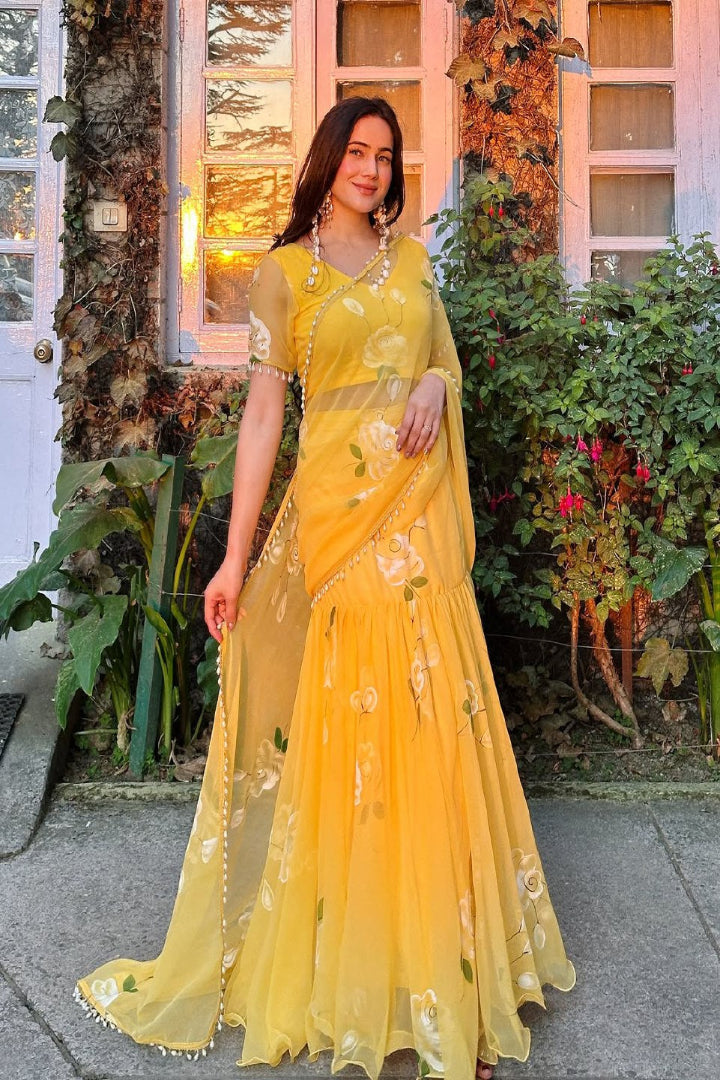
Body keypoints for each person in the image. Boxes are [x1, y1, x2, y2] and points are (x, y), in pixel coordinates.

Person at [75, 97, 575, 1080]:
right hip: (337, 529)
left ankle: (452, 992)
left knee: (435, 723)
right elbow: (265, 420)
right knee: (361, 735)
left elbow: (440, 364)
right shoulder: (284, 275)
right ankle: (366, 971)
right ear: (327, 160)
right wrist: (233, 556)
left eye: (386, 156)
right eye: (357, 151)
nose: (373, 169)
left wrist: (439, 385)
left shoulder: (418, 263)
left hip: (419, 516)